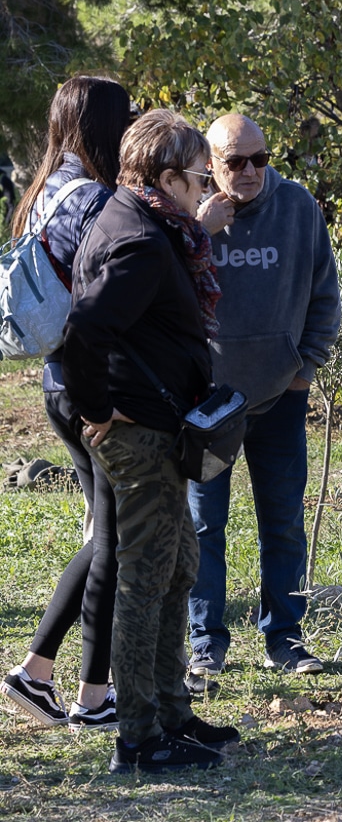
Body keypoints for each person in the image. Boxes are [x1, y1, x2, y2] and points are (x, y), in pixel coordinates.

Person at [60, 109, 239, 773]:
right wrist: (97, 408)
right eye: (199, 175)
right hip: (138, 434)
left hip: (162, 428)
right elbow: (84, 331)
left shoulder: (146, 221)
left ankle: (173, 713)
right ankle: (138, 740)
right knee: (145, 581)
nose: (206, 186)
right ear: (166, 177)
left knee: (178, 570)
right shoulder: (140, 237)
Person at [183, 114, 341, 685]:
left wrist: (304, 370)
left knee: (283, 520)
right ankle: (205, 641)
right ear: (209, 163)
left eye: (260, 159)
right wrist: (198, 229)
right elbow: (163, 292)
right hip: (207, 402)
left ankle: (285, 635)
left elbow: (326, 293)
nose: (249, 172)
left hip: (280, 395)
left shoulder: (298, 208)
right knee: (204, 526)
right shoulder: (189, 211)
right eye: (234, 162)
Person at [2, 76, 130, 730]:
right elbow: (101, 307)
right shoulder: (96, 203)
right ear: (104, 127)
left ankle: (64, 682)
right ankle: (64, 683)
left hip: (57, 383)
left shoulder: (44, 192)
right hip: (90, 389)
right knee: (111, 539)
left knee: (103, 532)